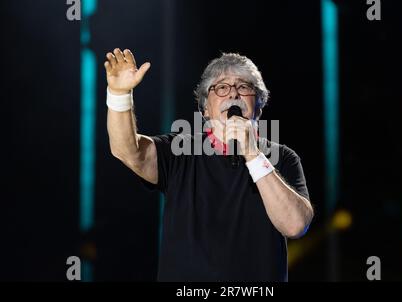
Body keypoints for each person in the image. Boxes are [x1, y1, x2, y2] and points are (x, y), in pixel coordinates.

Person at [104, 48, 314, 282]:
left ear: (259, 107)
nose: (233, 94)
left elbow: (295, 225)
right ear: (205, 108)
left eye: (244, 87)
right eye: (222, 87)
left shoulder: (282, 158)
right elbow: (127, 151)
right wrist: (119, 95)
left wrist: (252, 154)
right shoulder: (179, 152)